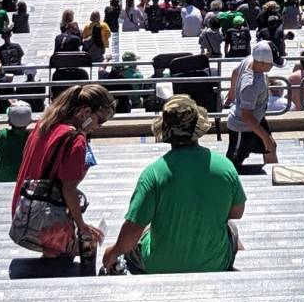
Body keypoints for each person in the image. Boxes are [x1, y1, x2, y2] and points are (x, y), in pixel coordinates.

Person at [101, 96, 247, 274]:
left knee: (142, 230)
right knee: (231, 228)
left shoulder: (153, 174)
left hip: (158, 266)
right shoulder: (225, 167)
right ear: (197, 128)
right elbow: (236, 212)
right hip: (215, 263)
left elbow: (132, 230)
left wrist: (113, 251)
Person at [10, 82, 115, 270]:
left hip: (23, 208)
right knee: (79, 249)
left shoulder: (45, 123)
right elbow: (69, 190)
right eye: (100, 120)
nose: (99, 126)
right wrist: (82, 226)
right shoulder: (76, 140)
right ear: (85, 112)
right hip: (43, 219)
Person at [225, 41, 277, 170]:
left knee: (271, 147)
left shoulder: (250, 59)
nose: (272, 66)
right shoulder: (251, 84)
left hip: (256, 118)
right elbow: (246, 117)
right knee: (232, 164)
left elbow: (235, 72)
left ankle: (275, 175)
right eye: (271, 63)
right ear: (263, 62)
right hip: (242, 127)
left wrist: (231, 92)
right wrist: (264, 137)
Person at [0, 99, 34, 183]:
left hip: (2, 178)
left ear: (9, 121)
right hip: (24, 178)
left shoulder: (3, 135)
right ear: (29, 121)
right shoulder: (32, 138)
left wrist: (16, 111)